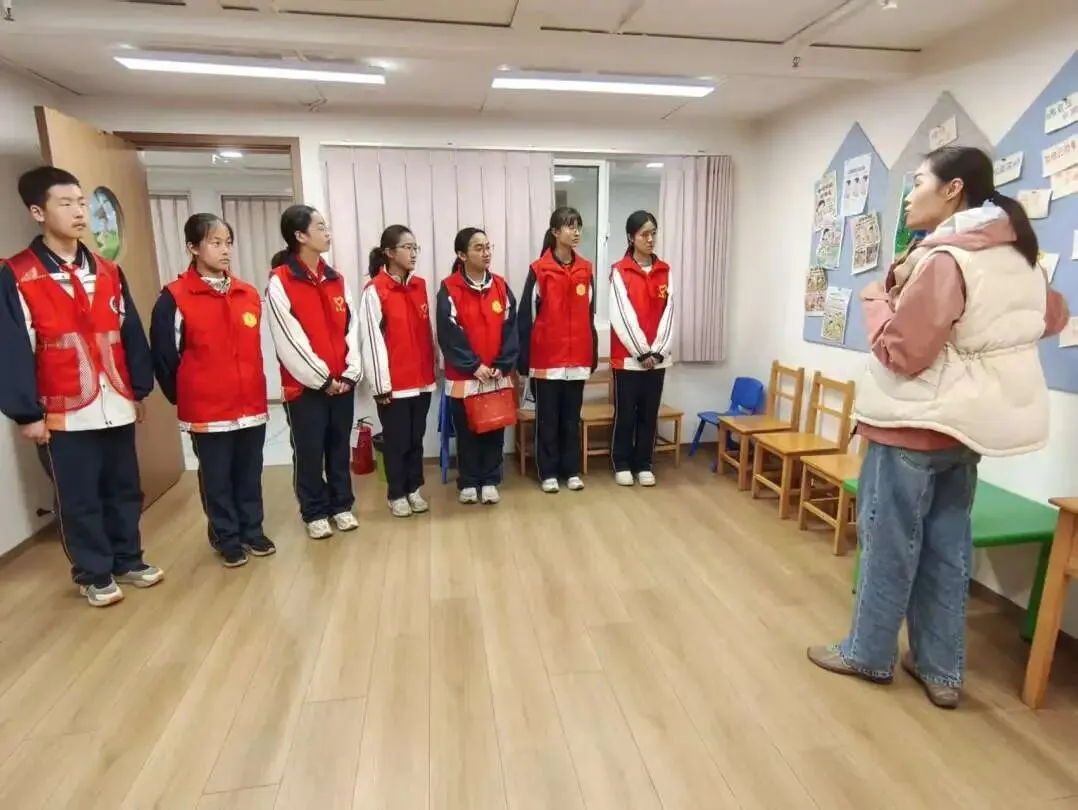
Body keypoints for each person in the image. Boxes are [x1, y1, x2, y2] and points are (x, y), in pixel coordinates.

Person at [807, 146, 1069, 709]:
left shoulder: (947, 258)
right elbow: (1053, 316)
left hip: (912, 425)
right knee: (948, 550)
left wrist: (876, 297)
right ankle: (941, 670)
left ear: (953, 190)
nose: (908, 196)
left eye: (919, 182)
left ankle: (868, 654)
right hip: (965, 433)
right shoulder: (1019, 256)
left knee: (888, 546)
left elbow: (903, 353)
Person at [0, 166, 164, 607]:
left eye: (81, 203)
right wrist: (26, 413)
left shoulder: (108, 270)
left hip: (115, 399)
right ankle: (94, 572)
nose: (79, 212)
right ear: (38, 212)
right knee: (79, 497)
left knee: (125, 488)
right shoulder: (17, 274)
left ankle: (128, 559)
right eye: (66, 203)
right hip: (63, 410)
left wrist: (138, 390)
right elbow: (11, 346)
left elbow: (130, 334)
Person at [150, 213, 273, 568]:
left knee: (249, 472)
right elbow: (165, 356)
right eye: (215, 243)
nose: (225, 250)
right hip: (207, 408)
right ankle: (226, 537)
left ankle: (252, 530)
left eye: (228, 243)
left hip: (250, 403)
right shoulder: (174, 297)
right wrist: (187, 394)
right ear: (193, 247)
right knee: (217, 477)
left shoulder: (247, 293)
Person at [266, 205, 362, 540]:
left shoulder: (337, 279)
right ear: (300, 235)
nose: (327, 232)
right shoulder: (280, 282)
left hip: (342, 384)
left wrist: (349, 373)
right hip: (305, 389)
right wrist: (323, 379)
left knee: (339, 447)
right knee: (309, 452)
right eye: (320, 227)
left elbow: (352, 328)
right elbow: (289, 340)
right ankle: (314, 511)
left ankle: (341, 505)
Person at [436, 227, 519, 505]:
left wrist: (501, 364)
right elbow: (449, 334)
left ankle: (491, 479)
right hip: (465, 377)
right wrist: (474, 366)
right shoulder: (449, 288)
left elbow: (511, 329)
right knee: (468, 430)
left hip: (495, 374)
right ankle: (469, 481)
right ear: (462, 255)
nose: (486, 253)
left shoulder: (501, 287)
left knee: (495, 428)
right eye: (478, 248)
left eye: (487, 247)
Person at [358, 224, 437, 518]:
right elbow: (371, 341)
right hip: (394, 384)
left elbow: (427, 331)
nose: (413, 253)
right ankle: (396, 493)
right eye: (407, 247)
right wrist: (381, 386)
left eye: (416, 248)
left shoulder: (420, 285)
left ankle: (414, 488)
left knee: (416, 438)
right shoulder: (375, 290)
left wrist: (433, 369)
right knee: (397, 441)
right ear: (389, 253)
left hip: (422, 381)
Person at [518, 206, 598, 493]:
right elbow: (526, 317)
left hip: (577, 358)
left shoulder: (586, 269)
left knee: (571, 419)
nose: (576, 232)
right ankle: (548, 472)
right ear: (555, 232)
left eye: (578, 226)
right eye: (569, 226)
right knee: (548, 419)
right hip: (547, 360)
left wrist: (591, 354)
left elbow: (590, 314)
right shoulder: (539, 269)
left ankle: (571, 470)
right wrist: (525, 361)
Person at [609, 210, 673, 487]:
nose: (650, 239)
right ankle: (622, 463)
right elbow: (621, 315)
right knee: (626, 414)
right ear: (631, 237)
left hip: (658, 359)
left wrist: (657, 351)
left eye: (653, 234)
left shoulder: (665, 270)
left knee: (649, 413)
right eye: (644, 234)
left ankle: (644, 463)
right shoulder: (620, 270)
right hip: (628, 359)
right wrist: (642, 352)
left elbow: (669, 313)